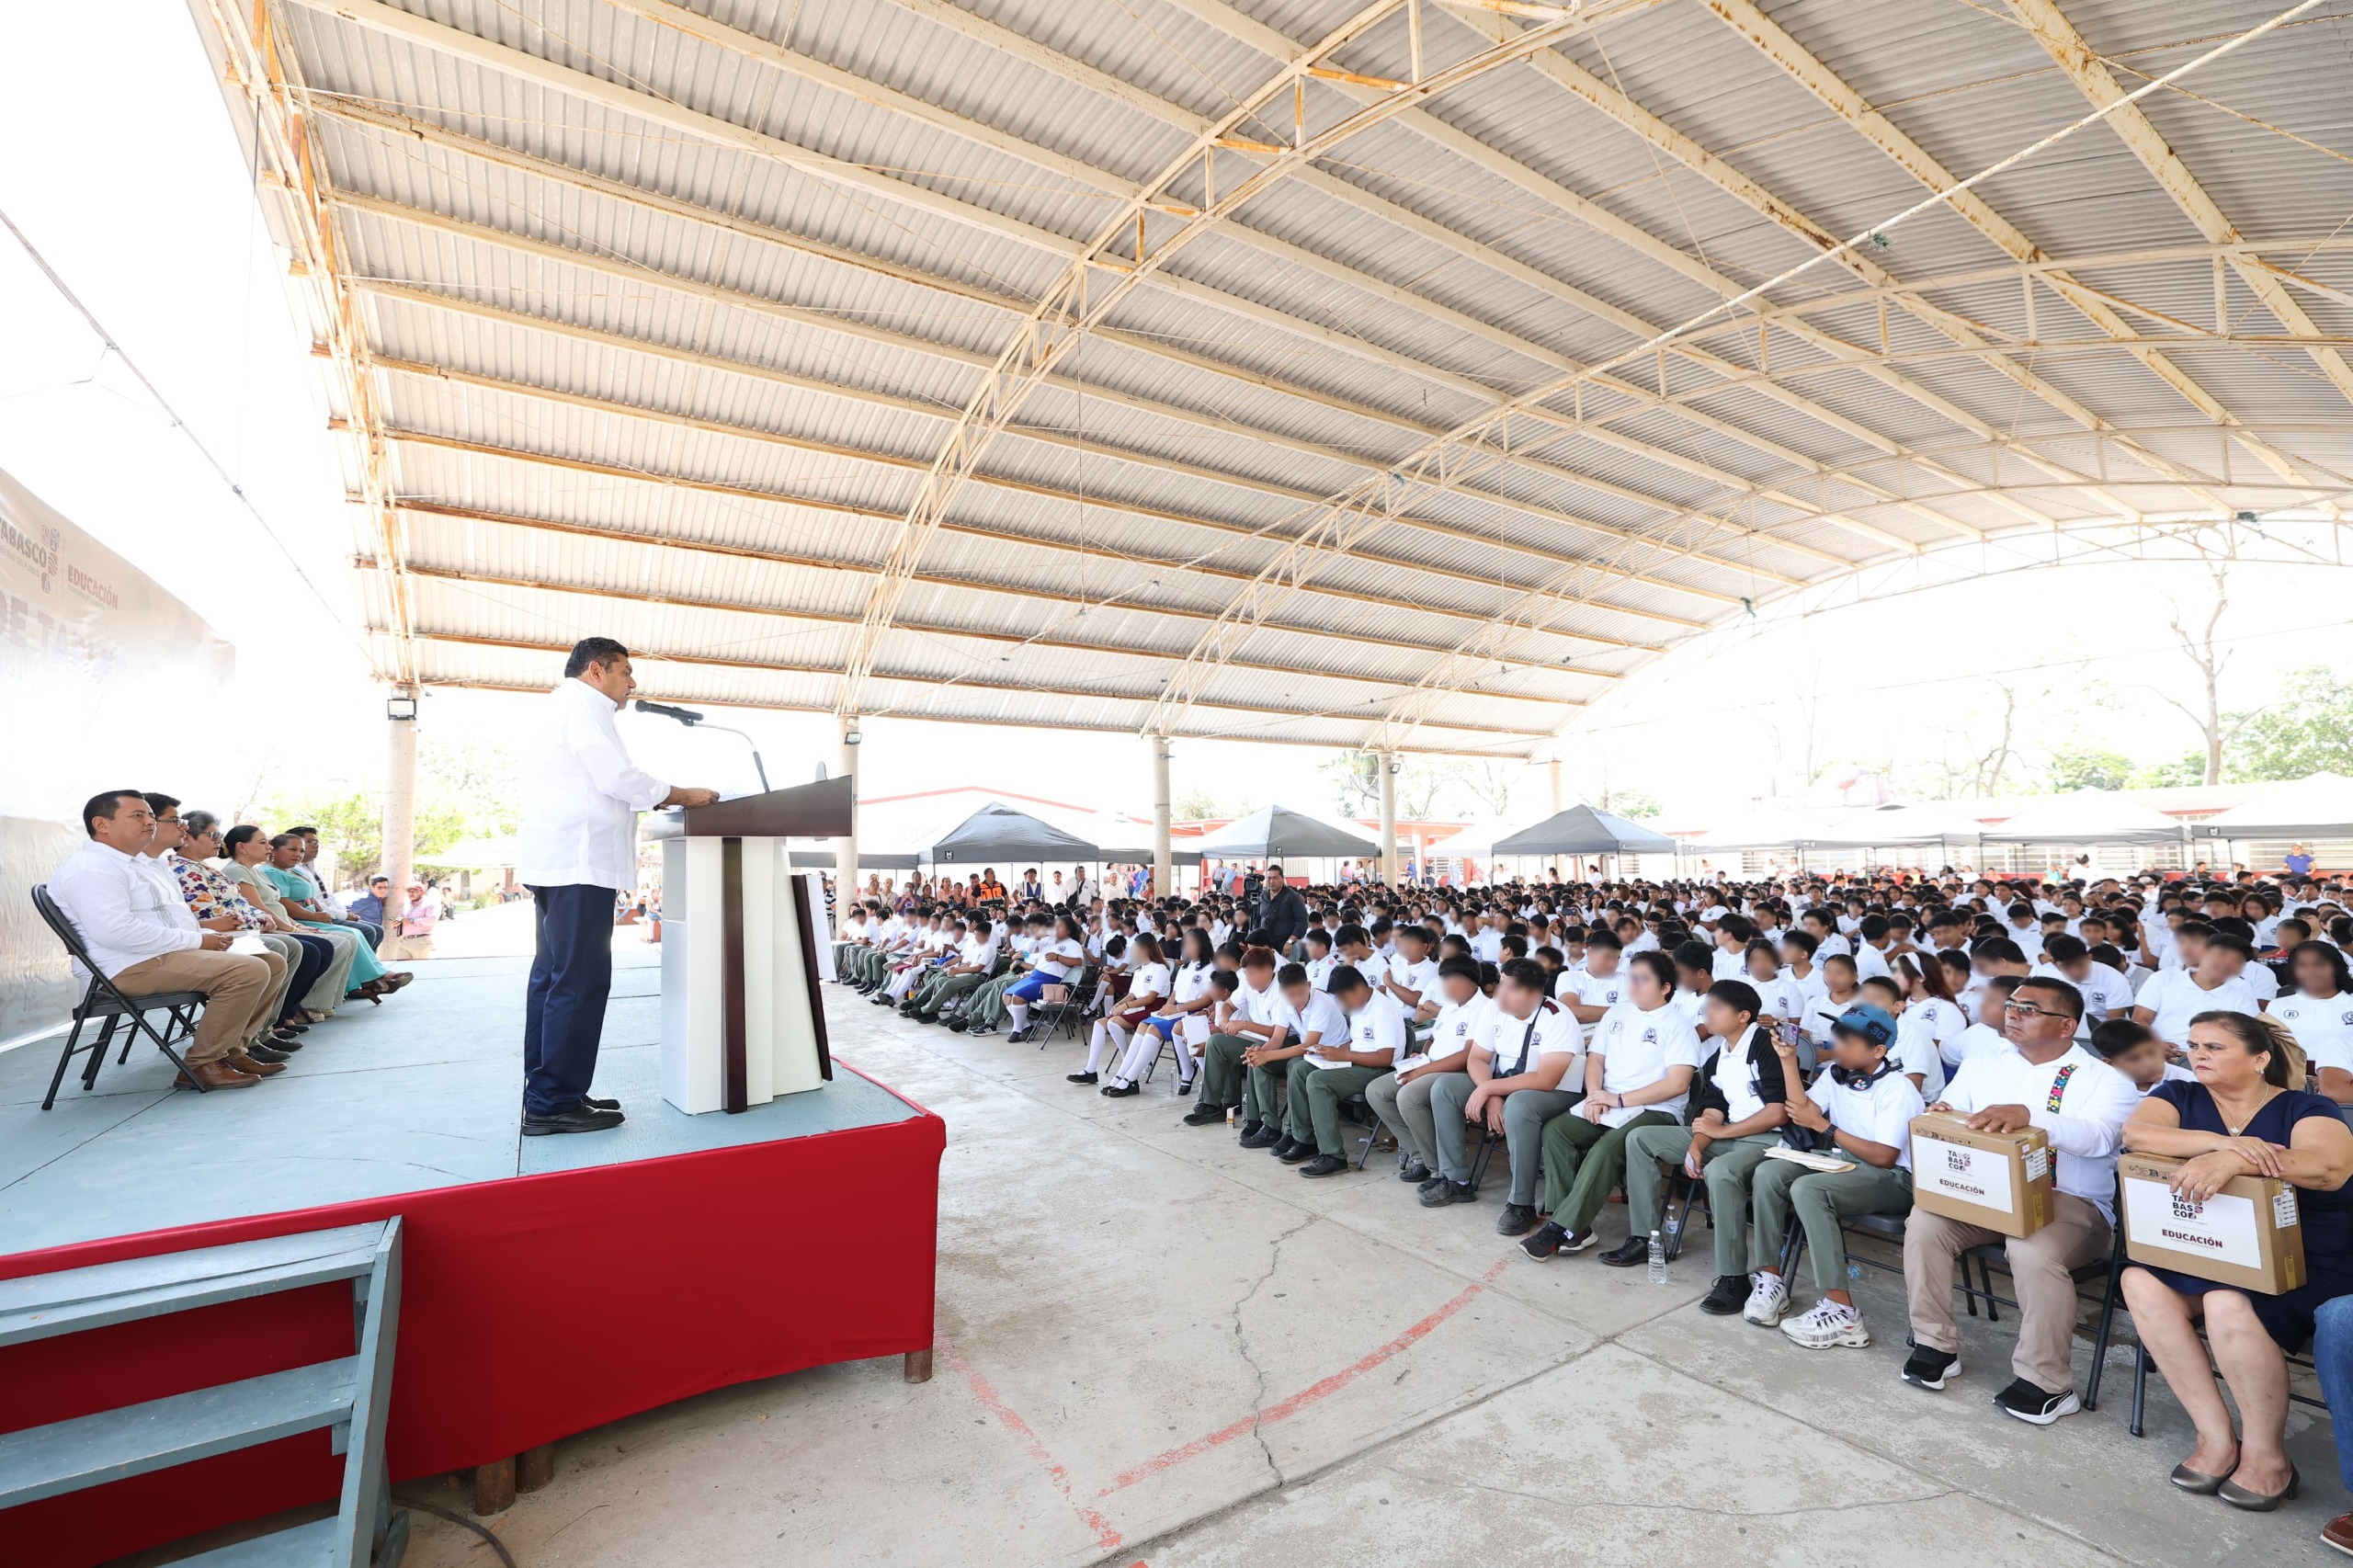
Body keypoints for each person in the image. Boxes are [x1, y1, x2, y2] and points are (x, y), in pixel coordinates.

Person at [2119, 1010, 2353, 1509]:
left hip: (2302, 1255)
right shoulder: (2178, 1096)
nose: (2199, 1055)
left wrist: (2240, 1161)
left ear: (2260, 1058)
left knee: (2226, 1301)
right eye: (2194, 1046)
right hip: (2207, 1244)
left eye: (2215, 1047)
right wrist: (2224, 1145)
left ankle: (2268, 1457)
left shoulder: (2306, 1106)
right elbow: (2138, 1136)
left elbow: (2329, 1167)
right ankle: (2217, 1439)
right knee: (2138, 1280)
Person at [1901, 976, 2140, 1424]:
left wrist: (2032, 1118)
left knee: (2030, 1250)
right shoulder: (1986, 1058)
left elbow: (2099, 1137)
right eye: (2011, 1005)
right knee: (1925, 1223)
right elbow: (1953, 1104)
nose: (2013, 1014)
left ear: (2067, 1026)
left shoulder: (2105, 1080)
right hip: (1988, 1192)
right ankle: (1934, 1344)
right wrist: (1944, 1114)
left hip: (2070, 1203)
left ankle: (2047, 1381)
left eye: (2028, 1009)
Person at [517, 638, 718, 1134]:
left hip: (558, 863)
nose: (633, 683)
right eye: (625, 672)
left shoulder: (561, 703)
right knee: (579, 982)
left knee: (553, 979)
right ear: (595, 671)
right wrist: (681, 794)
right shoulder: (584, 705)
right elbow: (616, 777)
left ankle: (549, 1089)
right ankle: (553, 1101)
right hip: (580, 864)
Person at [46, 791, 283, 1089]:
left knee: (270, 960)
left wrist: (204, 935)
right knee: (248, 970)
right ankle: (202, 1064)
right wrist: (196, 941)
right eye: (138, 816)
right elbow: (115, 932)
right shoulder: (92, 868)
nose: (149, 822)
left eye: (149, 815)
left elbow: (167, 919)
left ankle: (232, 1051)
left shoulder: (141, 864)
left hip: (157, 954)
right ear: (102, 824)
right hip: (125, 967)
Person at [1747, 1003, 1923, 1347]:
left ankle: (1842, 1313)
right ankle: (1771, 1281)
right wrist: (1787, 1060)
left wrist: (1825, 1128)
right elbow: (1802, 1112)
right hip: (1841, 1161)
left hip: (1892, 1178)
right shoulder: (1835, 1074)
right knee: (1769, 1173)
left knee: (1809, 1191)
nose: (1837, 1043)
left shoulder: (1897, 1089)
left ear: (1878, 1050)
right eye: (1837, 1035)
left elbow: (1885, 1156)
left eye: (1849, 1038)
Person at [1617, 980, 1790, 1313]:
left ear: (1743, 1016)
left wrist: (1722, 1133)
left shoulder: (1764, 1045)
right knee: (1641, 1138)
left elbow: (1776, 1112)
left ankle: (1733, 1277)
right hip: (1728, 1136)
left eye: (1716, 1008)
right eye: (1706, 1006)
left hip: (1766, 1140)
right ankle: (1645, 1239)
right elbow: (1712, 1110)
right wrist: (1697, 1145)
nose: (1706, 1013)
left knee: (1722, 1172)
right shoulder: (1719, 1054)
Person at [1520, 949, 1701, 1260]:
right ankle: (1575, 1229)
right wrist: (1594, 1094)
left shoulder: (1677, 1024)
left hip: (1655, 1110)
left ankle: (1560, 1227)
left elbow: (1678, 1084)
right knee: (1557, 1131)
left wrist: (1617, 1099)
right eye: (1632, 977)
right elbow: (1596, 1059)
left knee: (1607, 1148)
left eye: (1644, 979)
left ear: (1665, 987)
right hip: (1608, 1102)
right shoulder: (1617, 1013)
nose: (1634, 984)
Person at [1426, 957, 1583, 1224]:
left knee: (1519, 1107)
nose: (1501, 994)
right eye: (1501, 985)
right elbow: (1477, 1058)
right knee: (1445, 1088)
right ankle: (1456, 1179)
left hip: (1555, 1092)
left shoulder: (1557, 1016)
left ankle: (1521, 1204)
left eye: (1511, 988)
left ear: (1533, 993)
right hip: (1504, 1083)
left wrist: (1488, 1088)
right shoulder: (1494, 1009)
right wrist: (1493, 1095)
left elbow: (1546, 1078)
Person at [1366, 954, 1489, 1183]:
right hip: (1430, 1065)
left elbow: (1467, 1056)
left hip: (1456, 1073)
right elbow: (1433, 1037)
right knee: (1377, 1091)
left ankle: (1436, 1168)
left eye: (1446, 980)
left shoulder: (1483, 1009)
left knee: (1409, 1096)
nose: (1442, 986)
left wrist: (1421, 1071)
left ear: (1464, 980)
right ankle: (1420, 1155)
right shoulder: (1451, 1006)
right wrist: (1420, 1058)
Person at [1285, 964, 1407, 1176]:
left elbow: (1384, 1057)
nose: (1342, 1004)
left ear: (1358, 988)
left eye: (1343, 998)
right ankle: (1303, 1140)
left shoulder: (1382, 1009)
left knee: (1317, 1081)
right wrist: (1331, 1052)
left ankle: (1333, 1156)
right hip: (1358, 1061)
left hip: (1379, 1070)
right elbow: (1357, 1043)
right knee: (1300, 1068)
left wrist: (1343, 1055)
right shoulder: (1359, 1005)